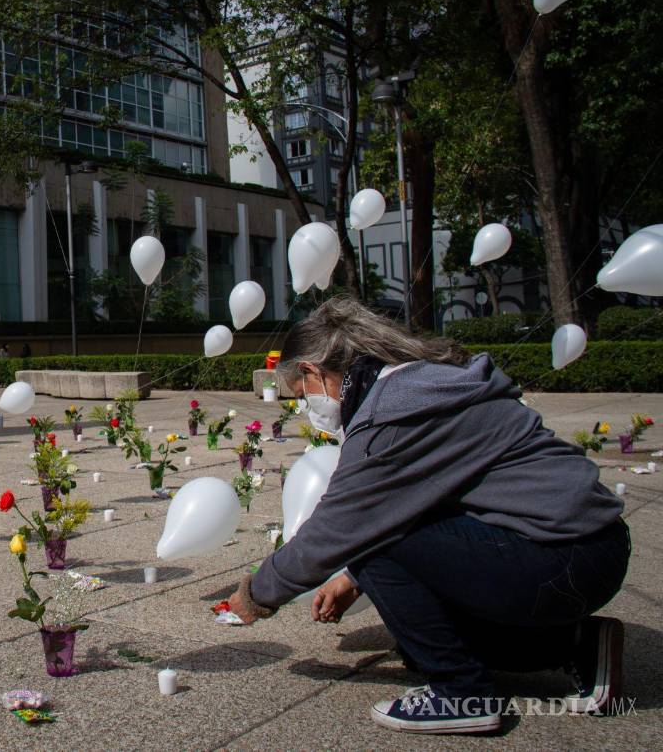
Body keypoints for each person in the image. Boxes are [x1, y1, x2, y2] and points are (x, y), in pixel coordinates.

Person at [226, 298, 629, 734]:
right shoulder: (424, 383)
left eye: (302, 394)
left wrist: (255, 595)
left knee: (372, 540)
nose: (308, 406)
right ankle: (577, 646)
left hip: (561, 555)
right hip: (592, 545)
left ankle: (463, 694)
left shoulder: (391, 412)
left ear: (313, 371)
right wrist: (354, 580)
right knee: (421, 642)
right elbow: (431, 496)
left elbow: (340, 528)